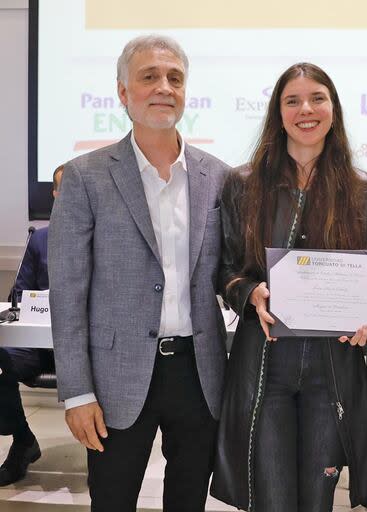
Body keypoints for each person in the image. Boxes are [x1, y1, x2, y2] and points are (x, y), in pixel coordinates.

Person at [48, 34, 230, 511]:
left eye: (175, 78)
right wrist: (76, 392)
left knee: (188, 500)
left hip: (199, 371)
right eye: (149, 77)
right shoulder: (85, 176)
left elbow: (232, 270)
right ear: (124, 93)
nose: (163, 87)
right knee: (112, 500)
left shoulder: (219, 177)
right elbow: (67, 293)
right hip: (114, 378)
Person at [210, 63, 367, 512]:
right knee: (274, 500)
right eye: (293, 100)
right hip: (266, 366)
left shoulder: (362, 188)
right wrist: (251, 293)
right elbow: (223, 269)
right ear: (278, 112)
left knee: (317, 500)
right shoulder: (243, 184)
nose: (306, 109)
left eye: (317, 98)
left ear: (334, 109)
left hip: (333, 369)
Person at [0, 165, 64, 486]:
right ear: (53, 193)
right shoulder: (40, 240)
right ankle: (23, 440)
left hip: (86, 349)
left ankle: (105, 456)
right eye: (61, 188)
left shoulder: (106, 239)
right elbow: (20, 295)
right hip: (38, 345)